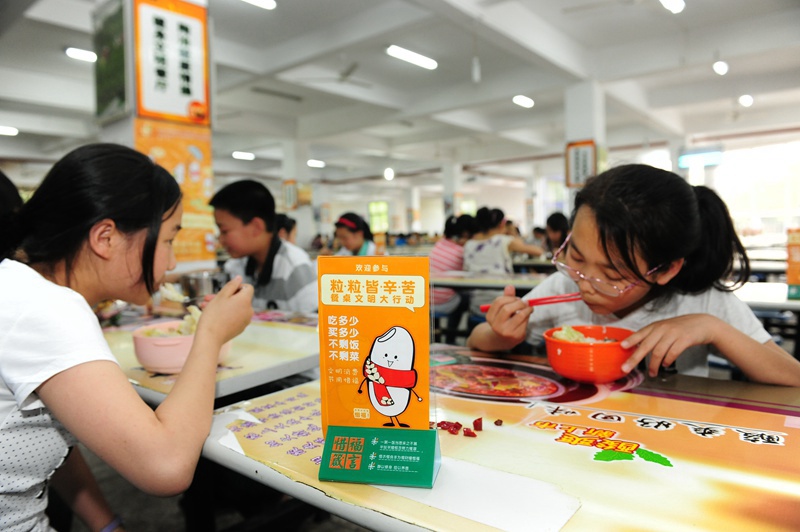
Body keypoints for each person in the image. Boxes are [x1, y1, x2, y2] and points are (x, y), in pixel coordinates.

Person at [0, 143, 254, 531]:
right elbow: (167, 467)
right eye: (168, 240)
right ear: (105, 238)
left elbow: (49, 433)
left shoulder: (22, 286)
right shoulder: (46, 308)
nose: (171, 261)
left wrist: (107, 525)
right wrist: (211, 334)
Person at [468, 164, 800, 386]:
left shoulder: (700, 300)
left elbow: (793, 377)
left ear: (666, 269)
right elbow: (476, 341)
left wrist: (713, 329)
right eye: (576, 256)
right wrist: (504, 335)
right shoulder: (564, 284)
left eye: (611, 274)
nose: (584, 282)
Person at [210, 180, 318, 312]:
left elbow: (317, 320)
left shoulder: (294, 267)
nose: (220, 239)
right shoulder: (237, 265)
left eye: (224, 231)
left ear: (256, 227)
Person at [463, 207, 545, 315]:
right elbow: (539, 251)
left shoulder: (469, 244)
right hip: (501, 306)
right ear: (502, 224)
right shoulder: (503, 241)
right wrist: (513, 233)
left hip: (476, 305)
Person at [430, 214, 476, 343]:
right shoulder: (462, 251)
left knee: (448, 293)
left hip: (426, 299)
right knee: (468, 299)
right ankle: (452, 337)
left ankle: (437, 337)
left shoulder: (440, 243)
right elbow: (467, 274)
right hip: (442, 303)